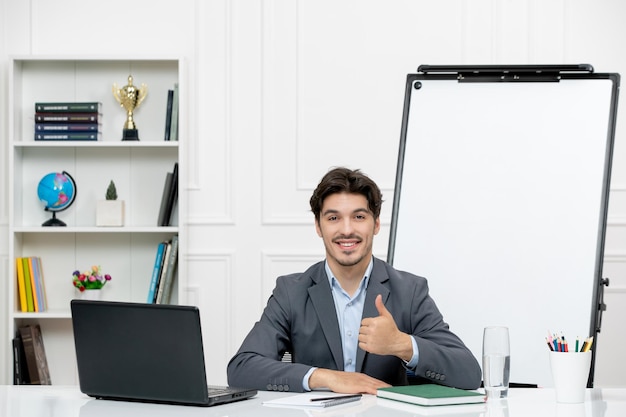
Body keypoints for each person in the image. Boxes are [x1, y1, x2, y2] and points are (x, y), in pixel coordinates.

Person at [227, 167, 481, 394]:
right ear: (318, 226)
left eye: (359, 217)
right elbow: (241, 368)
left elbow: (469, 373)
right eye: (333, 218)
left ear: (376, 224)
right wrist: (325, 377)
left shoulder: (410, 290)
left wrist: (401, 344)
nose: (347, 230)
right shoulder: (291, 292)